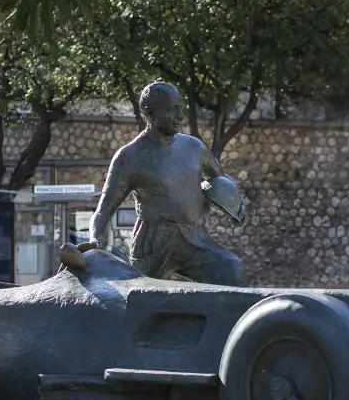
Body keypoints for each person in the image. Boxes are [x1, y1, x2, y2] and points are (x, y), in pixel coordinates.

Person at [89, 82, 247, 286]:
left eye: (180, 108)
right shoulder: (128, 157)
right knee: (142, 296)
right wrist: (94, 241)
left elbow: (218, 178)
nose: (180, 116)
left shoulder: (194, 147)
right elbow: (103, 211)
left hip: (194, 237)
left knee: (231, 270)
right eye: (172, 109)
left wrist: (235, 207)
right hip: (153, 242)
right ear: (150, 112)